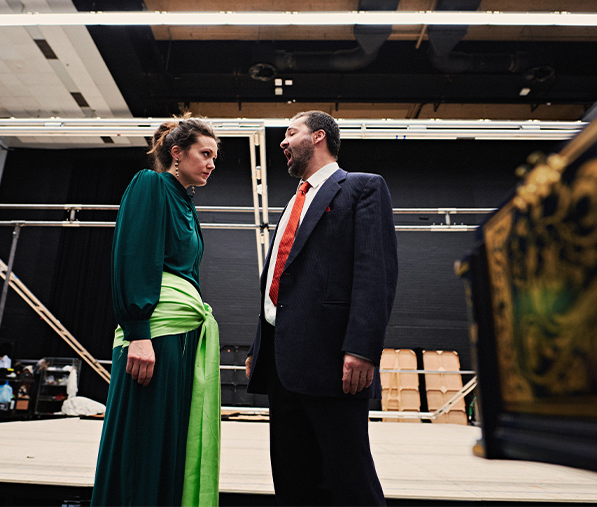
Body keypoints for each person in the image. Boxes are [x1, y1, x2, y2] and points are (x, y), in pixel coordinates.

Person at [245, 110, 398, 506]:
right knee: (294, 479)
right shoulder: (290, 204)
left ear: (317, 137)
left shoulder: (362, 188)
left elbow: (374, 272)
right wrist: (259, 346)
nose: (282, 142)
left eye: (290, 133)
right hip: (282, 363)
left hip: (333, 362)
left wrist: (362, 348)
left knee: (349, 478)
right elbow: (282, 279)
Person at [92, 115, 221, 507]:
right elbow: (133, 258)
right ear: (177, 153)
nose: (212, 163)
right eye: (205, 153)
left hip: (180, 338)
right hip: (155, 336)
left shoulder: (185, 201)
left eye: (215, 156)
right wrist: (139, 333)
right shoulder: (151, 185)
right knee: (143, 439)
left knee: (170, 439)